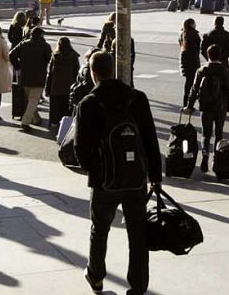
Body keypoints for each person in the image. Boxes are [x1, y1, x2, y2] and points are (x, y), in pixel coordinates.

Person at [74, 51, 163, 295]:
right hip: (136, 180)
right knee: (137, 233)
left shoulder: (89, 103)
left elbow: (80, 148)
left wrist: (94, 171)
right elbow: (149, 139)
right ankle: (138, 285)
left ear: (93, 73)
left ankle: (96, 276)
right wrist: (155, 176)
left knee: (99, 230)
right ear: (113, 70)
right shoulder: (137, 98)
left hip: (105, 181)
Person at [183, 44, 229, 173]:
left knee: (205, 134)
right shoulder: (224, 71)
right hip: (220, 107)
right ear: (219, 55)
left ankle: (205, 156)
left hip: (205, 107)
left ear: (208, 55)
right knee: (219, 133)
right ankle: (217, 159)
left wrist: (189, 106)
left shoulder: (201, 70)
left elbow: (194, 89)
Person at [9, 26, 52, 132]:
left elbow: (11, 54)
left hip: (24, 76)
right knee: (33, 101)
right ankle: (25, 122)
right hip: (39, 77)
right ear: (41, 35)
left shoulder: (24, 44)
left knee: (31, 100)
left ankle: (36, 119)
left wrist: (18, 65)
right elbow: (48, 59)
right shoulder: (45, 46)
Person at [45, 37, 80, 127]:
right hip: (69, 85)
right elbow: (76, 72)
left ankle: (54, 122)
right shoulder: (74, 56)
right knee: (66, 106)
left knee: (55, 106)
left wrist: (47, 88)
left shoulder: (55, 56)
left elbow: (50, 74)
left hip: (55, 86)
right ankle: (65, 123)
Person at [179, 18, 201, 107]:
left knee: (188, 83)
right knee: (195, 84)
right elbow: (198, 48)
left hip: (185, 61)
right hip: (193, 61)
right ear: (192, 24)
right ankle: (190, 104)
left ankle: (186, 103)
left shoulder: (182, 34)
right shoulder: (194, 34)